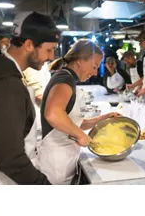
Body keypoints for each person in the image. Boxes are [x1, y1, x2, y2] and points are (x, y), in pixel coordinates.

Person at [0, 11, 60, 185]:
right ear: (28, 44)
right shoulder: (6, 85)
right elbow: (9, 158)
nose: (51, 57)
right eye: (49, 49)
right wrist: (42, 185)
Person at [39, 39, 121, 185]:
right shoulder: (65, 79)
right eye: (94, 66)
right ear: (80, 61)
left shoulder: (67, 77)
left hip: (64, 158)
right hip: (56, 163)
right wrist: (81, 136)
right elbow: (53, 114)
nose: (95, 73)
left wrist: (103, 118)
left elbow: (72, 122)